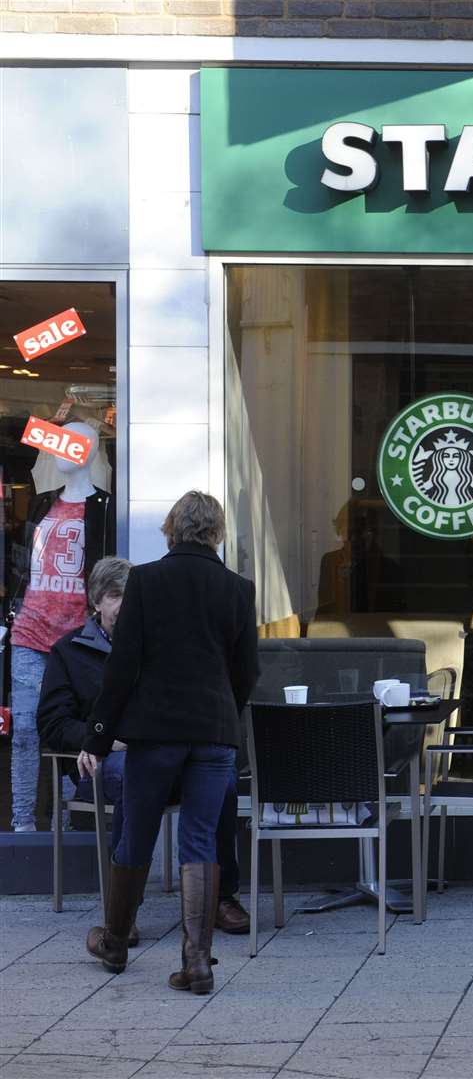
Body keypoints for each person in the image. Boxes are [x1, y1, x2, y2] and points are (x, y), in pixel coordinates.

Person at [81, 492, 258, 995]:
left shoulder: (147, 581)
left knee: (137, 831)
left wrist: (100, 730)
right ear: (216, 532)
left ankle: (115, 942)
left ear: (171, 530)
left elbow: (123, 664)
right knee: (200, 839)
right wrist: (224, 708)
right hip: (213, 731)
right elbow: (247, 670)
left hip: (154, 731)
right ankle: (197, 963)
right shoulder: (238, 588)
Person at [39, 557, 254, 940]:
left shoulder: (154, 645)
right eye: (114, 594)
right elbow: (53, 724)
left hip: (162, 756)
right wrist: (102, 739)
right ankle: (125, 911)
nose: (123, 603)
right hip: (100, 763)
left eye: (129, 594)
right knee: (129, 776)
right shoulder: (69, 652)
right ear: (96, 602)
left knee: (222, 783)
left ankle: (221, 897)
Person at [8, 421, 116, 832]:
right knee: (23, 732)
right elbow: (22, 561)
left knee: (71, 732)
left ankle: (68, 825)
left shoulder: (106, 508)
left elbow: (106, 572)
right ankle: (22, 826)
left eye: (74, 442)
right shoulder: (40, 504)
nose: (61, 450)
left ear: (90, 451)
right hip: (30, 631)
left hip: (76, 640)